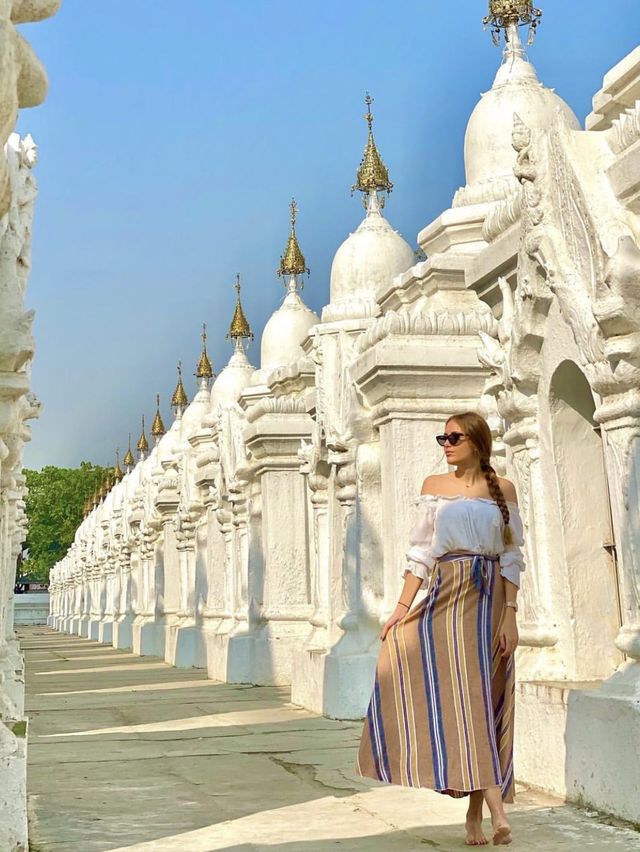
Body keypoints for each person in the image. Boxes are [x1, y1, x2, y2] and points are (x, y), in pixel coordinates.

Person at [355, 411, 524, 847]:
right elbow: (421, 555)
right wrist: (399, 609)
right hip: (446, 603)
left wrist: (511, 613)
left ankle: (474, 816)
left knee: (486, 701)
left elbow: (511, 558)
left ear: (477, 442)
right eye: (441, 437)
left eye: (453, 437)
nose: (445, 444)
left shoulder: (503, 490)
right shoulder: (434, 487)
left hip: (489, 605)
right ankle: (498, 810)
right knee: (465, 700)